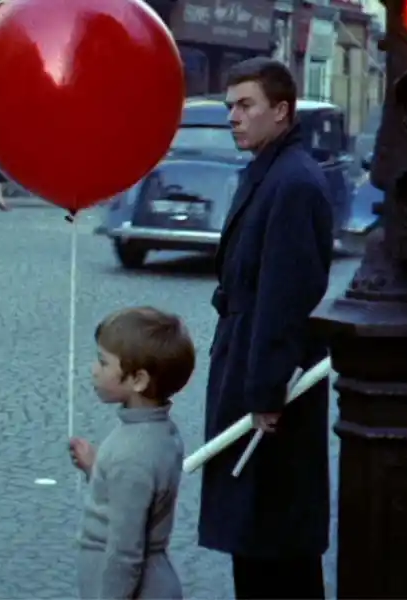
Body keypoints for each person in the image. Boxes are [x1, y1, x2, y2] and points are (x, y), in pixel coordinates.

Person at [197, 57, 334, 600]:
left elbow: (286, 294)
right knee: (255, 531)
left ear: (281, 111)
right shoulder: (270, 171)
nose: (234, 117)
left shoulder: (293, 183)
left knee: (273, 532)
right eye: (230, 106)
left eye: (245, 105)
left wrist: (266, 391)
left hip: (273, 381)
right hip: (250, 362)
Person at [69, 306, 195, 600]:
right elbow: (132, 495)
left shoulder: (132, 454)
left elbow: (125, 550)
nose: (93, 369)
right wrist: (96, 469)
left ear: (138, 380)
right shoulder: (158, 434)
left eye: (103, 362)